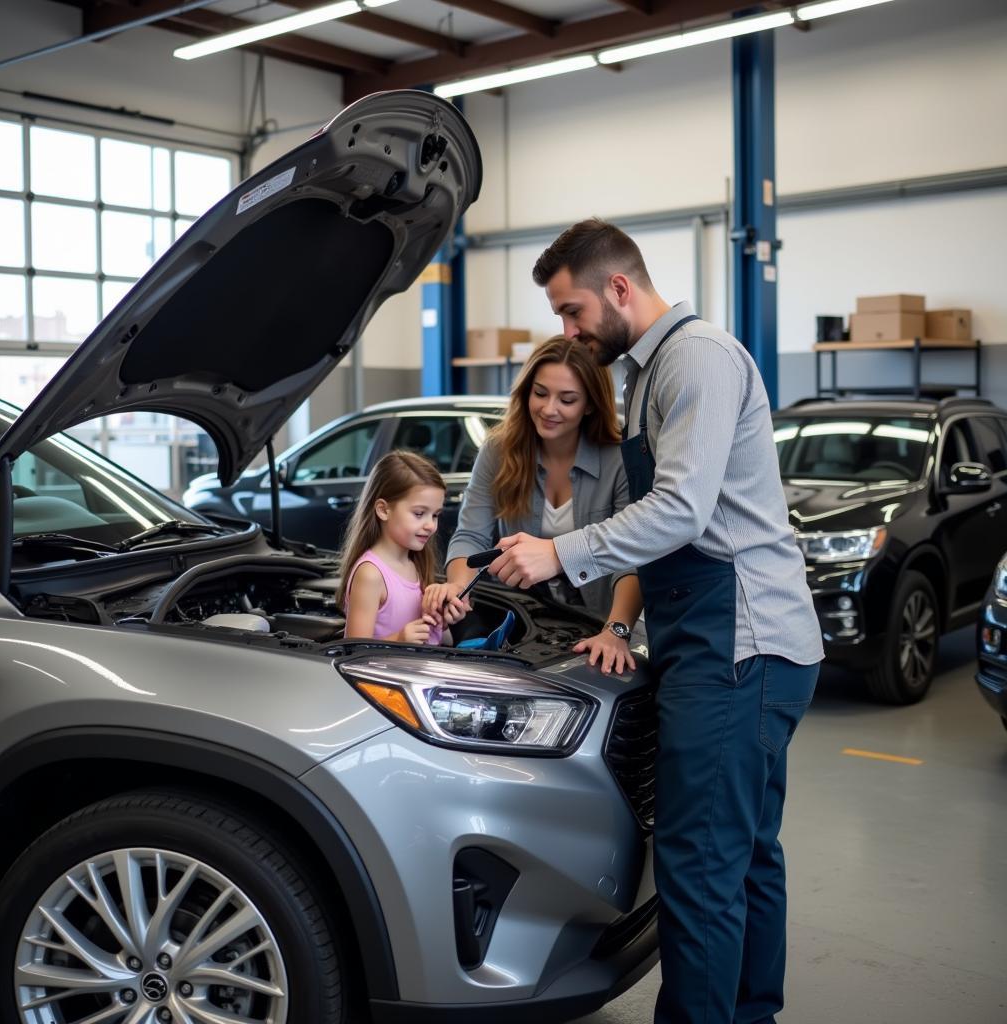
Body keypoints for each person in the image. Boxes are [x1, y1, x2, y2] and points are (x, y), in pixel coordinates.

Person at [488, 219, 824, 1024]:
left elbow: (680, 509)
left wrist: (558, 553)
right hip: (731, 640)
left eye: (572, 313)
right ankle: (749, 1014)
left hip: (738, 645)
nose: (566, 333)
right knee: (744, 859)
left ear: (619, 289)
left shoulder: (695, 358)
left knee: (702, 862)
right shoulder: (650, 371)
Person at [424, 335, 643, 674]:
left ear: (589, 404)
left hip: (600, 624)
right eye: (540, 393)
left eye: (567, 399)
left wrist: (616, 630)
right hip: (523, 626)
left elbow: (630, 557)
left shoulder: (618, 458)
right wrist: (458, 588)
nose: (549, 408)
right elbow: (471, 536)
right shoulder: (498, 451)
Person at [340, 451, 467, 644]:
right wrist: (399, 639)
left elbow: (444, 642)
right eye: (419, 513)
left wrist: (443, 622)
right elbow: (353, 652)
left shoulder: (416, 565)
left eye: (435, 515)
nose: (431, 525)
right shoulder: (371, 575)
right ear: (383, 510)